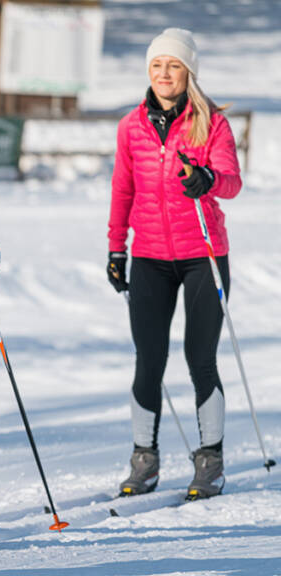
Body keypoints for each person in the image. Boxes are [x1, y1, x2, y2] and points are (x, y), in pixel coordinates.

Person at [106, 28, 241, 500]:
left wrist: (207, 178)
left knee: (200, 358)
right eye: (157, 65)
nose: (164, 74)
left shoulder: (212, 125)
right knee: (149, 359)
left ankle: (210, 460)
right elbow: (123, 190)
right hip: (148, 257)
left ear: (189, 72)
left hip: (203, 254)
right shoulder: (131, 127)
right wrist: (115, 248)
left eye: (174, 66)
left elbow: (231, 182)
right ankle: (144, 459)